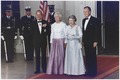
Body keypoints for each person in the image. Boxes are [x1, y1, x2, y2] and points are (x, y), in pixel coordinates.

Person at [82, 6, 100, 76]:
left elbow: (97, 31)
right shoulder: (83, 20)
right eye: (84, 12)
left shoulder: (95, 20)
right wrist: (83, 41)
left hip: (92, 42)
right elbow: (84, 32)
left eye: (86, 11)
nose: (85, 13)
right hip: (86, 42)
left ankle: (93, 72)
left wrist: (96, 41)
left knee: (92, 57)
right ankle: (88, 71)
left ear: (90, 11)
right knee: (87, 57)